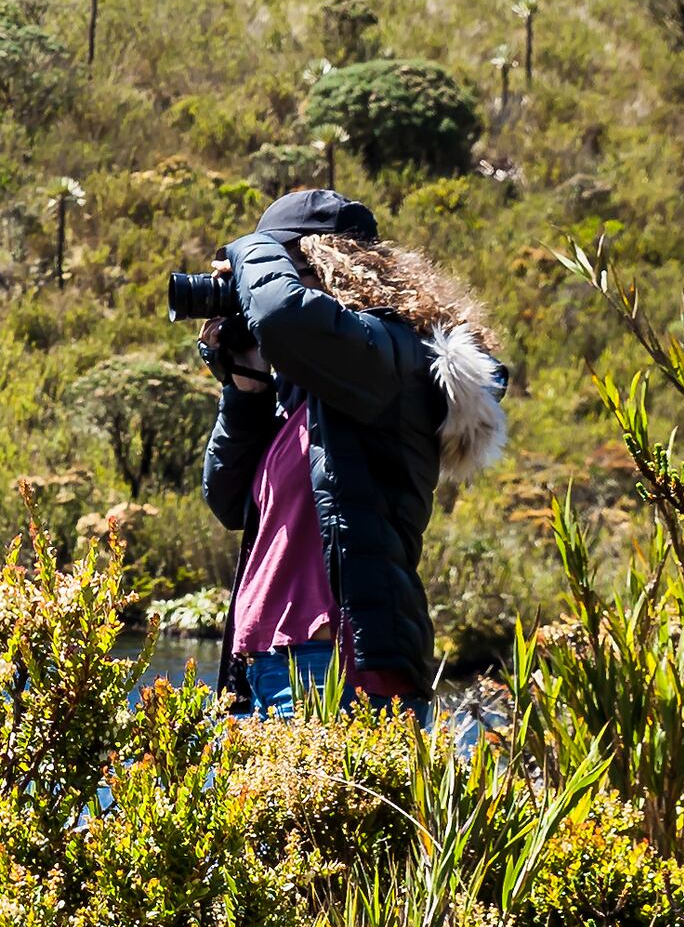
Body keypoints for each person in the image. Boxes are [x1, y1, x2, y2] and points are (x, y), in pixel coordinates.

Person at [197, 187, 511, 721]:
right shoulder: (306, 391)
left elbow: (281, 317)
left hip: (337, 664)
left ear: (324, 266)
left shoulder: (395, 357)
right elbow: (230, 503)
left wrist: (248, 248)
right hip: (265, 665)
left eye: (274, 268)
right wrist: (246, 389)